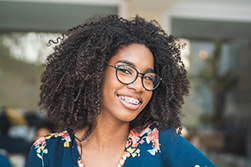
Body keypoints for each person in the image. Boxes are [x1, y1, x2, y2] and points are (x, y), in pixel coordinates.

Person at [26, 14, 216, 167]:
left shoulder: (161, 143)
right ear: (95, 72)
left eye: (148, 77)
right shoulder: (47, 153)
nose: (138, 86)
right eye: (125, 70)